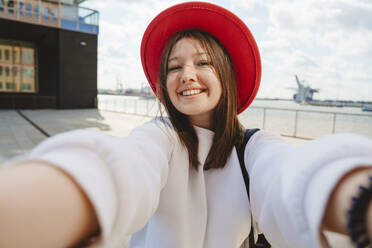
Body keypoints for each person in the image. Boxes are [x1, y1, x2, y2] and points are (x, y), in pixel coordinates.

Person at [0, 2, 372, 248]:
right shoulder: (158, 138)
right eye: (174, 67)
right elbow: (118, 169)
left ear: (225, 74)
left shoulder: (255, 148)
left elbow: (292, 178)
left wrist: (358, 202)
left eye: (203, 63)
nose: (187, 75)